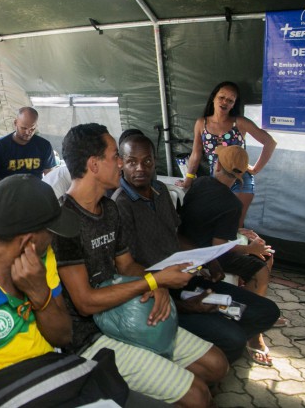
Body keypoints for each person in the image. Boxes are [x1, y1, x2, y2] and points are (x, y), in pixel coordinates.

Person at [54, 123, 228, 407]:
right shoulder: (65, 222)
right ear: (94, 165)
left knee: (217, 365)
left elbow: (127, 265)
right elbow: (85, 302)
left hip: (125, 312)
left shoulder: (109, 209)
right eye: (115, 156)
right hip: (90, 337)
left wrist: (155, 284)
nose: (120, 163)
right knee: (198, 395)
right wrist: (152, 282)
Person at [0, 174, 134, 407]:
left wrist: (40, 294)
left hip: (52, 370)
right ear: (27, 242)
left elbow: (63, 336)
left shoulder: (41, 258)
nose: (53, 239)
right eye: (51, 231)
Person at [112, 133, 280, 366]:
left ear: (154, 161)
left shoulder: (159, 190)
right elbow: (126, 267)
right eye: (132, 161)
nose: (140, 168)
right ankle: (207, 351)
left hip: (185, 279)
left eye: (147, 161)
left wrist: (210, 260)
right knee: (232, 339)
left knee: (266, 311)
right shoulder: (119, 205)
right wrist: (183, 306)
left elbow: (175, 234)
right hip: (155, 292)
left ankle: (218, 336)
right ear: (121, 162)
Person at [179, 144, 279, 366]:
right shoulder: (232, 204)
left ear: (216, 166)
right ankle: (253, 332)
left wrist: (238, 232)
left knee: (258, 252)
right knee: (262, 266)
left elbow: (207, 221)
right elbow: (220, 246)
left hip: (185, 245)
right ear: (240, 176)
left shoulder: (200, 183)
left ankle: (246, 312)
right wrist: (251, 249)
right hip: (209, 256)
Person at [176, 81, 277, 227]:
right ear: (213, 98)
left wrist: (255, 169)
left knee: (235, 224)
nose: (225, 102)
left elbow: (270, 142)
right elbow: (196, 154)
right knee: (216, 221)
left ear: (234, 104)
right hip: (216, 178)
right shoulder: (201, 123)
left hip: (240, 179)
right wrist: (188, 179)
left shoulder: (240, 122)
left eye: (230, 100)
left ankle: (238, 242)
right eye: (222, 97)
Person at [0, 107, 56, 187]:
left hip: (35, 191)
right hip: (7, 191)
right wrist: (2, 192)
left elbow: (50, 175)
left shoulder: (44, 145)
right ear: (15, 123)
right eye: (24, 128)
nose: (28, 132)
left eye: (32, 128)